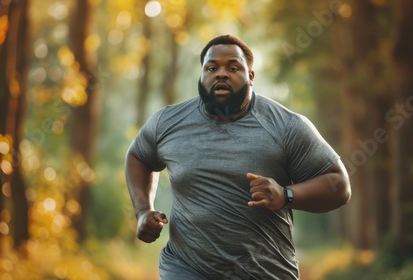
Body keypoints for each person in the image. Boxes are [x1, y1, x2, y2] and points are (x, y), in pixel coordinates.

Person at [125, 34, 351, 280]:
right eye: (211, 68)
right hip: (185, 268)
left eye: (233, 67)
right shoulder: (167, 123)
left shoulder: (286, 126)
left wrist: (286, 195)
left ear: (251, 77)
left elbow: (339, 185)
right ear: (201, 75)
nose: (221, 74)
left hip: (265, 271)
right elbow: (138, 156)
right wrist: (143, 211)